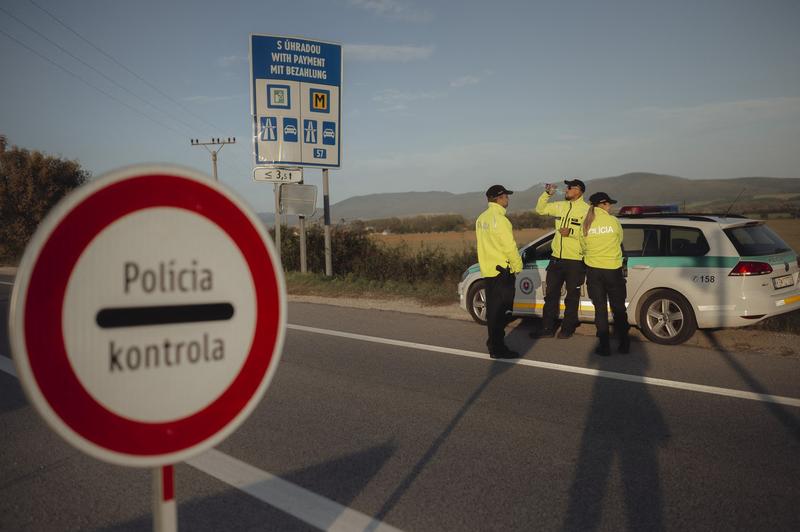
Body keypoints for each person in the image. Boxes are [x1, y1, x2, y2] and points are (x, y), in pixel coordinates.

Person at [531, 179, 590, 339]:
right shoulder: (560, 206)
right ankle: (547, 329)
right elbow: (540, 209)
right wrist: (547, 194)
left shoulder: (587, 210)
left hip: (575, 261)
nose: (567, 189)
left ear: (580, 191)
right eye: (567, 187)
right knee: (550, 295)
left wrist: (571, 233)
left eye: (571, 187)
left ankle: (568, 328)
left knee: (572, 297)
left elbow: (589, 235)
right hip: (556, 259)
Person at [476, 185, 523, 359]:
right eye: (506, 196)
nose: (508, 199)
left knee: (494, 310)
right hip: (502, 271)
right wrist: (517, 266)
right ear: (499, 198)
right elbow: (509, 246)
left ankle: (493, 343)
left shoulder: (481, 219)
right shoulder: (501, 220)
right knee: (501, 312)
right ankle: (498, 348)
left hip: (489, 271)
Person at [581, 192, 630, 355]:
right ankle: (624, 344)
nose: (610, 207)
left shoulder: (586, 224)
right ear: (603, 204)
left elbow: (583, 248)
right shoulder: (613, 221)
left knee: (600, 310)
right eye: (609, 204)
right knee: (618, 309)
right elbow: (619, 240)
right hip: (612, 271)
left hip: (594, 272)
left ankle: (604, 347)